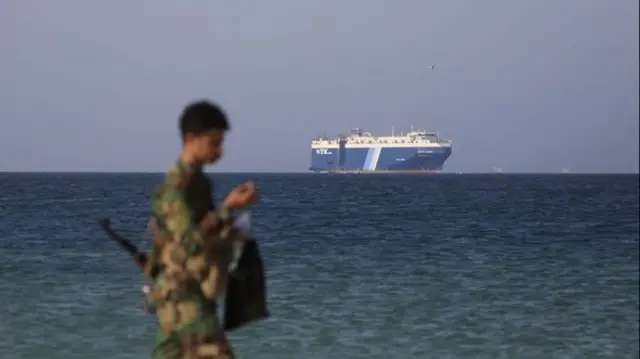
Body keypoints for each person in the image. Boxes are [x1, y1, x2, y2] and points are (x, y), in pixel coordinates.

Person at [145, 100, 258, 359]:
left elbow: (201, 233)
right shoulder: (177, 187)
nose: (219, 150)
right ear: (191, 138)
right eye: (214, 142)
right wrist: (226, 209)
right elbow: (187, 244)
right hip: (182, 295)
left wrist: (231, 231)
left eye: (221, 142)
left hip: (192, 290)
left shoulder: (200, 183)